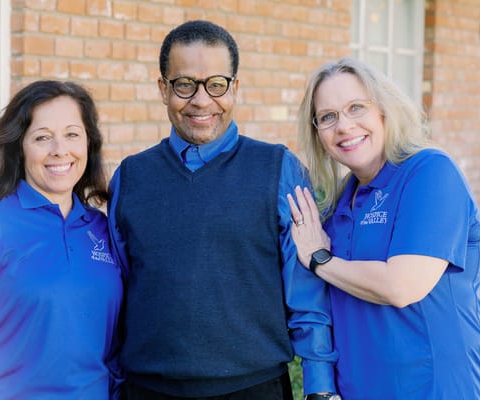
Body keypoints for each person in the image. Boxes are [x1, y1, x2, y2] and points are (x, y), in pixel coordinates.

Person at [109, 20, 338, 400]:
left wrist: (319, 388)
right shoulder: (131, 177)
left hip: (254, 388)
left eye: (216, 84)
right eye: (185, 84)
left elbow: (307, 291)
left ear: (235, 88)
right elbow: (119, 292)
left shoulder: (278, 169)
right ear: (163, 89)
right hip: (147, 390)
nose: (201, 100)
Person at [286, 57, 480, 399]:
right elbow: (318, 305)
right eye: (328, 117)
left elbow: (402, 286)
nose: (343, 126)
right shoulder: (338, 206)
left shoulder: (429, 172)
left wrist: (319, 259)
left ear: (384, 109)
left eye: (356, 107)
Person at [0, 80, 123, 399]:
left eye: (72, 134)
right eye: (43, 137)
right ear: (20, 146)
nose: (60, 149)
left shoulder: (101, 228)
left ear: (89, 143)